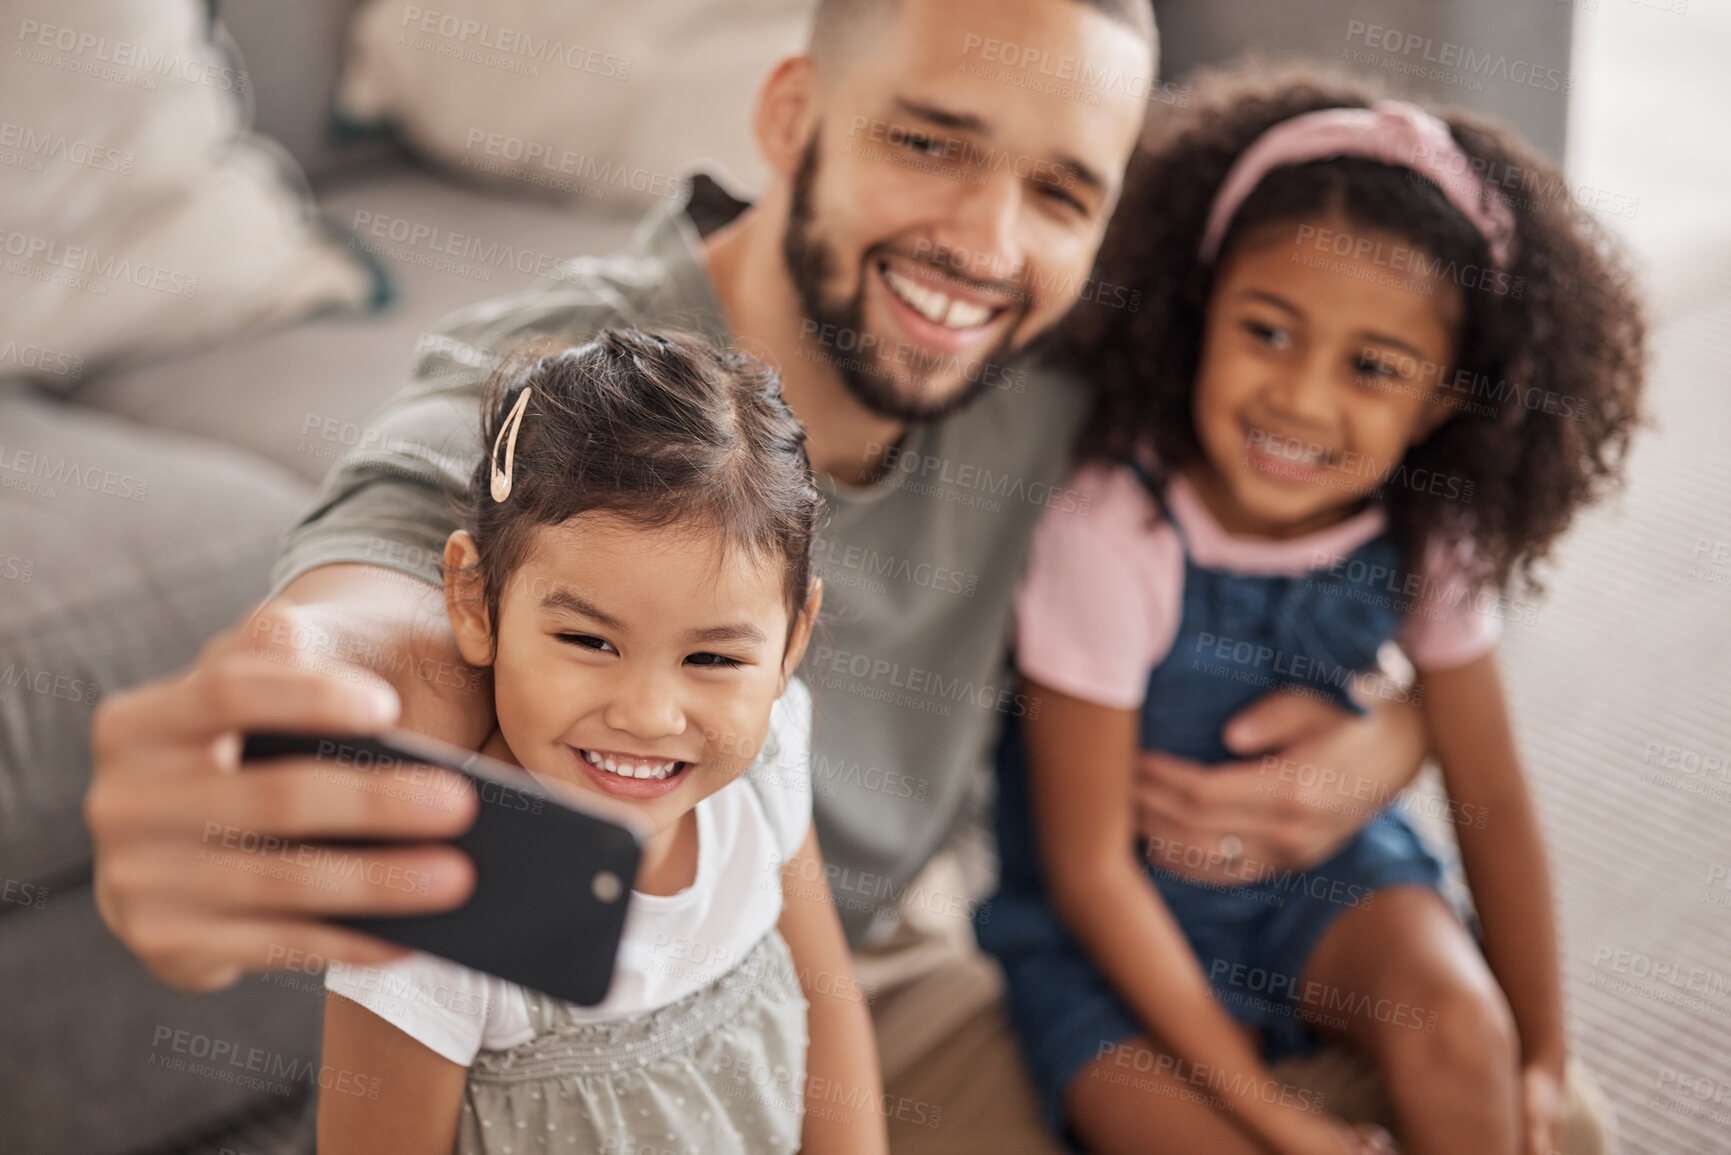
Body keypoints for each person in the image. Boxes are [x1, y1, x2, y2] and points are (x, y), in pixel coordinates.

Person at [87, 5, 1461, 1151]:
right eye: (929, 142)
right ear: (792, 114)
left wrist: (1395, 725)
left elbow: (1332, 484)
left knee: (1506, 1099)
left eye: (1057, 192)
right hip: (601, 1035)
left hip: (881, 960)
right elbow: (382, 596)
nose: (984, 245)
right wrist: (277, 738)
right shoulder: (560, 393)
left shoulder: (1053, 368)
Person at [978, 70, 1644, 1155]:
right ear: (1203, 318)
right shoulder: (1111, 529)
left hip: (1329, 886)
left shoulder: (1434, 528)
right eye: (1268, 332)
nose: (1301, 399)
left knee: (1462, 1033)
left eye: (1373, 367)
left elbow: (1491, 797)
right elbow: (1089, 872)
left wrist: (1542, 1058)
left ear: (1439, 403)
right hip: (1102, 939)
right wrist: (1276, 1118)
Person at [314, 330, 883, 1155]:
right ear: (476, 601)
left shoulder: (766, 765)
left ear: (793, 638)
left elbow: (827, 1003)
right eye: (589, 642)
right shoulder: (432, 906)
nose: (649, 714)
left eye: (713, 657)